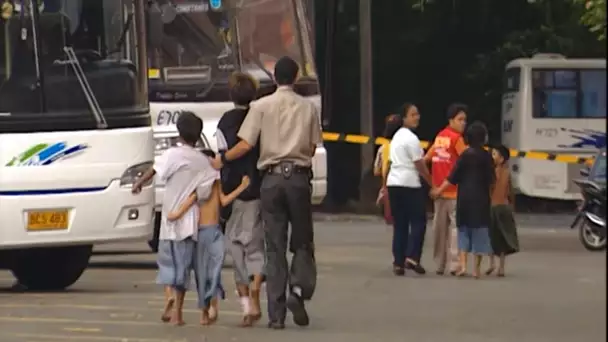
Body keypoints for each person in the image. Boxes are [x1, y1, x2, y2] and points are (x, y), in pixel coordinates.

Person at [211, 56, 322, 329]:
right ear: (295, 77)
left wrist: (224, 159)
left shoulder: (260, 106)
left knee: (274, 247)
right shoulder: (308, 108)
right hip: (298, 178)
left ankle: (276, 316)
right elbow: (311, 147)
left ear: (274, 78)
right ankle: (298, 290)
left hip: (270, 181)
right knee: (303, 241)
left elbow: (246, 144)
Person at [131, 112, 218, 326]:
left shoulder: (171, 154)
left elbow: (154, 170)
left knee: (167, 264)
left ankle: (168, 295)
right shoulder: (203, 161)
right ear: (198, 136)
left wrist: (139, 183)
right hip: (189, 223)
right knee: (184, 267)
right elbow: (205, 193)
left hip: (169, 222)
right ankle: (178, 312)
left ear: (179, 132)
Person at [166, 174, 252, 325]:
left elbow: (223, 200)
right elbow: (191, 199)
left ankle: (213, 302)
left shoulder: (215, 182)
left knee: (216, 269)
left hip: (216, 231)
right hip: (200, 233)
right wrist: (177, 214)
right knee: (202, 274)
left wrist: (241, 187)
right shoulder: (195, 183)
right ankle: (204, 311)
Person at [215, 72, 266, 327]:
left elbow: (222, 153)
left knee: (235, 247)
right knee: (256, 246)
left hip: (235, 191)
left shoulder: (225, 121)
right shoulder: (261, 117)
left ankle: (247, 306)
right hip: (259, 188)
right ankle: (258, 284)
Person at [430, 121, 495, 279]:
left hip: (464, 197)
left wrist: (438, 190)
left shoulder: (465, 155)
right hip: (481, 199)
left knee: (463, 230)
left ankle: (463, 265)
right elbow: (492, 180)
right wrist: (491, 197)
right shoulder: (487, 156)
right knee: (479, 231)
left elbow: (452, 177)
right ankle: (476, 269)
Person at [386, 103, 433, 276]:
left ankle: (398, 262)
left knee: (400, 225)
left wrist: (384, 188)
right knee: (419, 221)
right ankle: (412, 256)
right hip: (409, 184)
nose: (417, 117)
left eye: (417, 114)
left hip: (394, 183)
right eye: (413, 115)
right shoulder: (411, 139)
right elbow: (419, 164)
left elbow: (391, 163)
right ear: (404, 118)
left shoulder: (396, 137)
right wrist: (431, 182)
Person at [424, 103, 468, 275]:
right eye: (460, 119)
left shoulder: (439, 137)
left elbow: (426, 158)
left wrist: (432, 184)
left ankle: (439, 264)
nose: (463, 123)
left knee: (439, 229)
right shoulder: (457, 140)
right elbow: (465, 161)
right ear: (451, 120)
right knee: (455, 229)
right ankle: (455, 264)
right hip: (454, 190)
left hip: (438, 191)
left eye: (465, 120)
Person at [486, 144, 519, 277]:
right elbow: (511, 192)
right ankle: (500, 267)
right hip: (504, 207)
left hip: (494, 207)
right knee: (502, 238)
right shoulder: (507, 172)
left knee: (491, 237)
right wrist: (512, 206)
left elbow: (489, 190)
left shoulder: (492, 172)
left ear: (501, 158)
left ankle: (492, 263)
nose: (492, 156)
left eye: (495, 154)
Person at [374, 114, 405, 225]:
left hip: (388, 187)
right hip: (404, 186)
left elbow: (376, 171)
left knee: (395, 224)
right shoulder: (406, 145)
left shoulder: (383, 148)